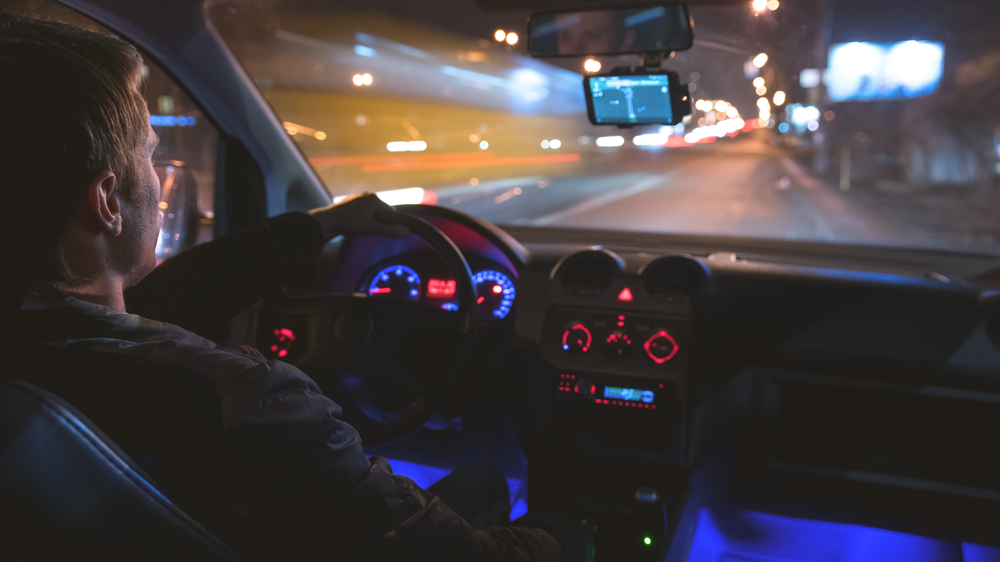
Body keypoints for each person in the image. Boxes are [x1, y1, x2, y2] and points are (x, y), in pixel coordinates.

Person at [0, 14, 592, 562]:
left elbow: (173, 299)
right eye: (152, 156)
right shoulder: (251, 403)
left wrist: (322, 225)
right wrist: (580, 532)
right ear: (106, 201)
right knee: (490, 479)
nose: (159, 180)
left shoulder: (42, 348)